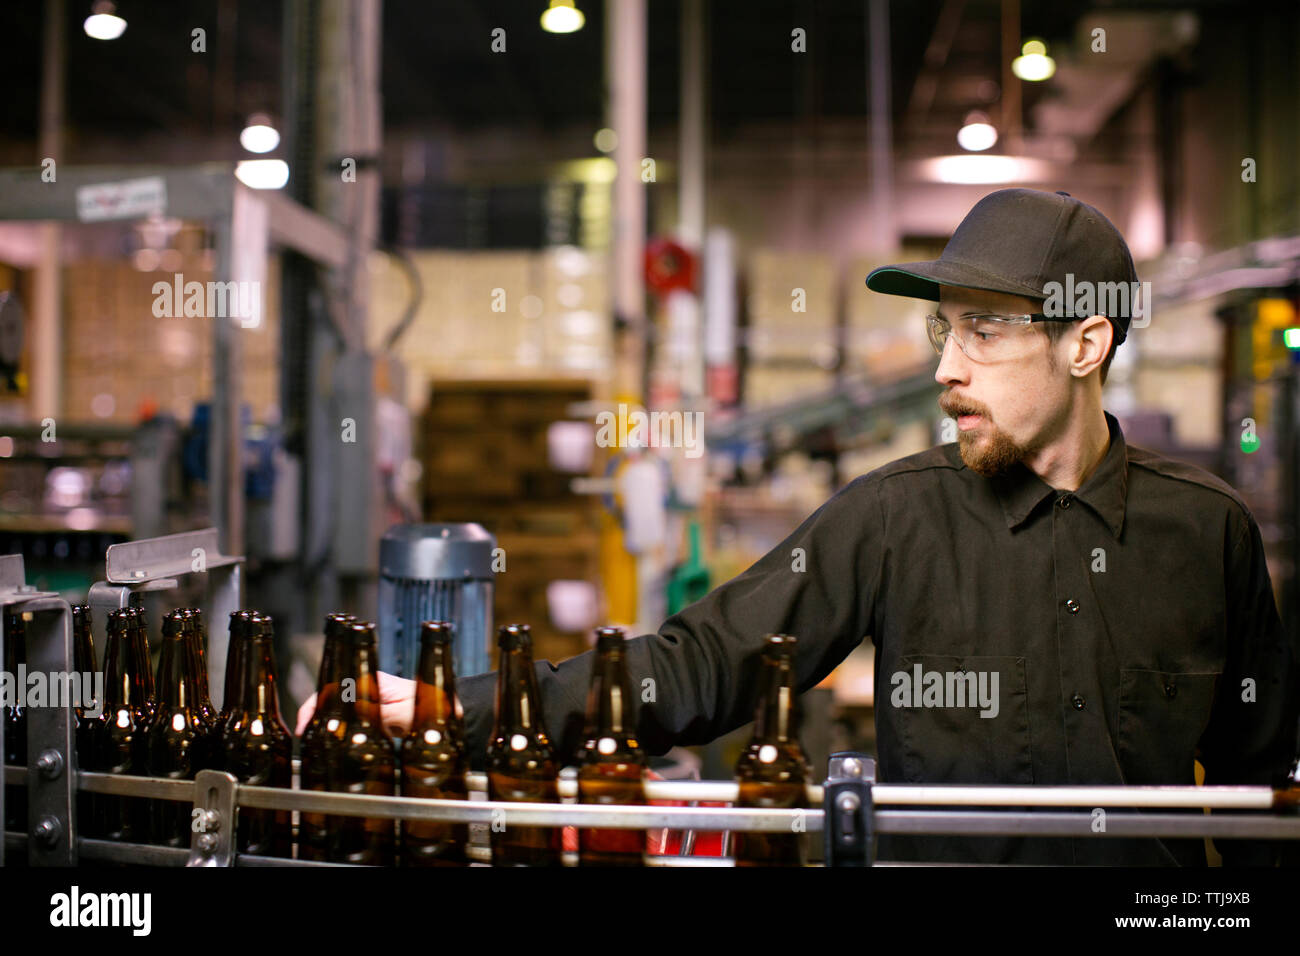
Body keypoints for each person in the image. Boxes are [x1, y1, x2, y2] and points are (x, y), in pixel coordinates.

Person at [299, 187, 1300, 865]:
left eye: (983, 332)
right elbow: (699, 664)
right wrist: (448, 709)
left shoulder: (1203, 532)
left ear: (1087, 343)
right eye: (941, 329)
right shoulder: (892, 517)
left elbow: (1264, 781)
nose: (945, 367)